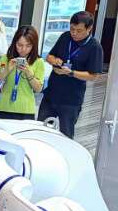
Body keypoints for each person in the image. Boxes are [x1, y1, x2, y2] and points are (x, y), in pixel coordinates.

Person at [38, 11, 103, 139]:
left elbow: (93, 76)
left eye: (79, 31)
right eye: (72, 29)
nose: (74, 33)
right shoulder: (65, 37)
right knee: (40, 129)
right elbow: (49, 56)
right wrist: (54, 61)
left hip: (71, 100)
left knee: (66, 136)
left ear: (89, 29)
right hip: (51, 94)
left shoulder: (94, 47)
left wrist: (72, 73)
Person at [0, 25, 45, 120]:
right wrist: (7, 70)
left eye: (28, 46)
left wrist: (28, 72)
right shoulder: (5, 58)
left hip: (26, 110)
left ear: (34, 45)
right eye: (20, 45)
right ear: (14, 43)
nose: (23, 49)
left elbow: (38, 89)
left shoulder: (38, 61)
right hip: (4, 108)